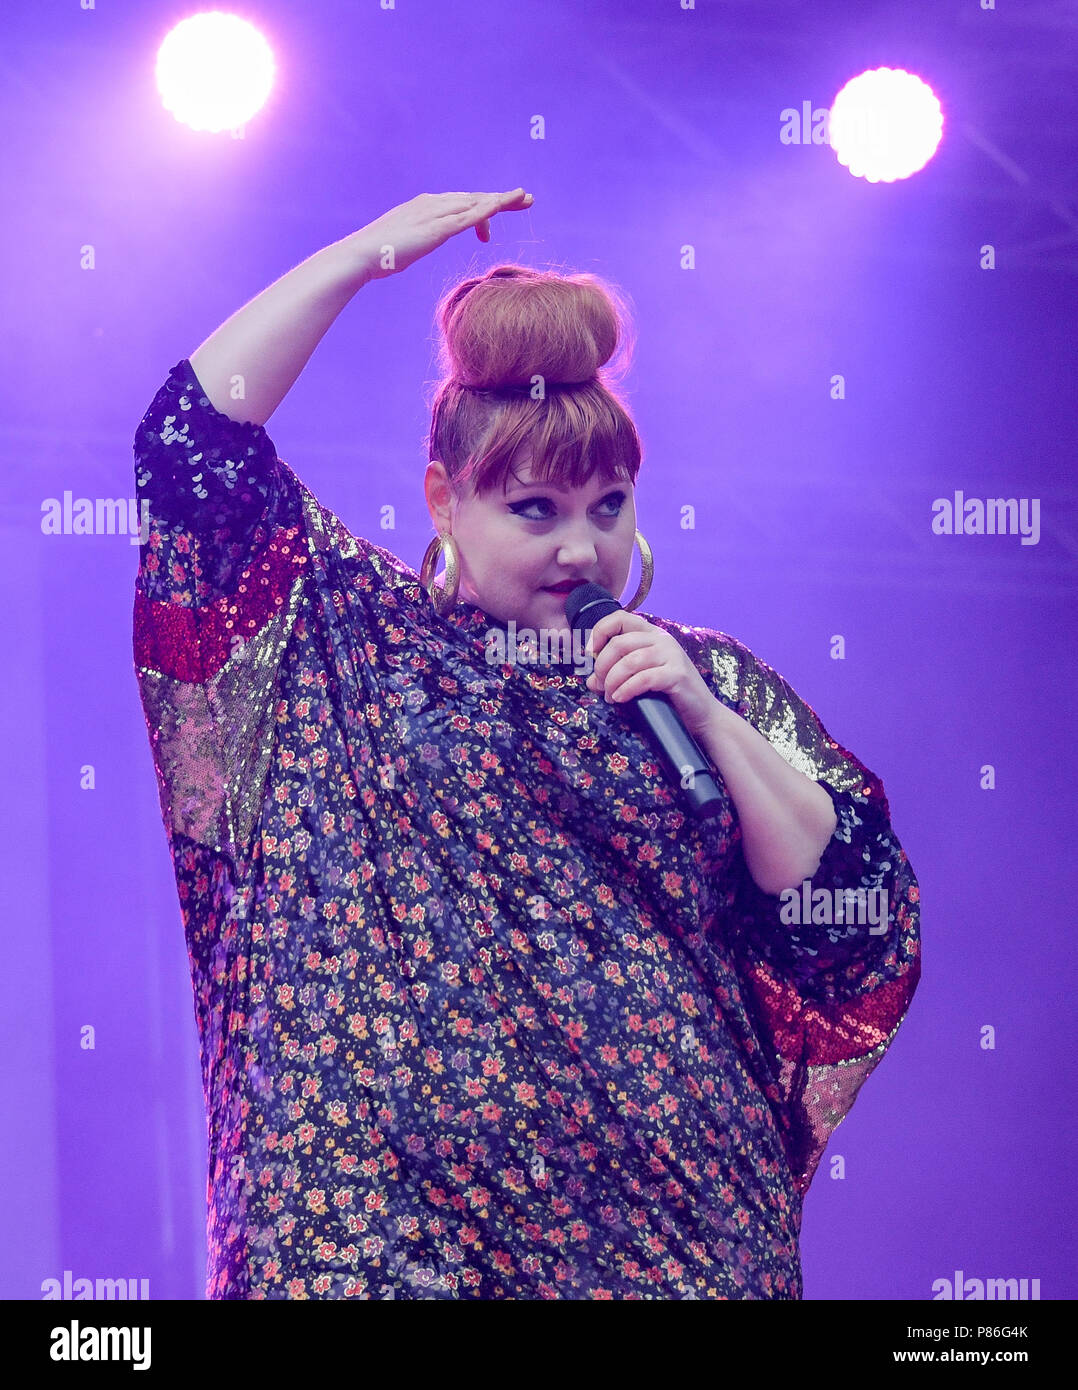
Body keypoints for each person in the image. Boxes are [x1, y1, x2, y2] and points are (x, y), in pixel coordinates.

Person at [132, 189, 921, 1300]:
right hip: (383, 1242)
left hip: (672, 1239)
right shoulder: (354, 646)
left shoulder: (705, 679)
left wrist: (706, 715)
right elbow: (190, 449)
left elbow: (848, 911)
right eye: (536, 510)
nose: (582, 547)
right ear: (444, 501)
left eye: (609, 504)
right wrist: (361, 257)